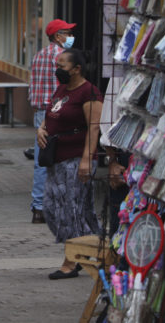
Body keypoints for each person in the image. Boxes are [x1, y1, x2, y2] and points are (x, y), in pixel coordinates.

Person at [37, 49, 102, 279]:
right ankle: (95, 249)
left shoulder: (89, 92)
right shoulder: (63, 88)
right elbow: (53, 111)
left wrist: (87, 158)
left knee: (72, 211)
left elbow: (94, 127)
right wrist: (42, 127)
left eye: (62, 66)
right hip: (57, 157)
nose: (58, 70)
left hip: (76, 159)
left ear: (76, 69)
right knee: (52, 207)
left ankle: (71, 262)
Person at [28, 19, 76, 224]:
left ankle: (38, 207)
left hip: (39, 112)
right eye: (67, 33)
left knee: (42, 160)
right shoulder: (62, 57)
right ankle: (58, 205)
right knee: (62, 160)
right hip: (56, 112)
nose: (71, 37)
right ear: (58, 36)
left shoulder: (39, 55)